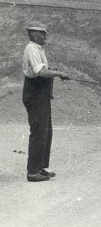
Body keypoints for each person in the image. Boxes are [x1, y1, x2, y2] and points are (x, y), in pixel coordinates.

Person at [22, 24, 70, 182]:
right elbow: (41, 72)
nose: (45, 36)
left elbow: (43, 70)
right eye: (43, 34)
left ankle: (40, 167)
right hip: (34, 92)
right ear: (35, 35)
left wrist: (54, 73)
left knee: (46, 131)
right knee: (38, 131)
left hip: (41, 93)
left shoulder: (38, 49)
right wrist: (59, 73)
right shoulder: (32, 49)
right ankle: (32, 172)